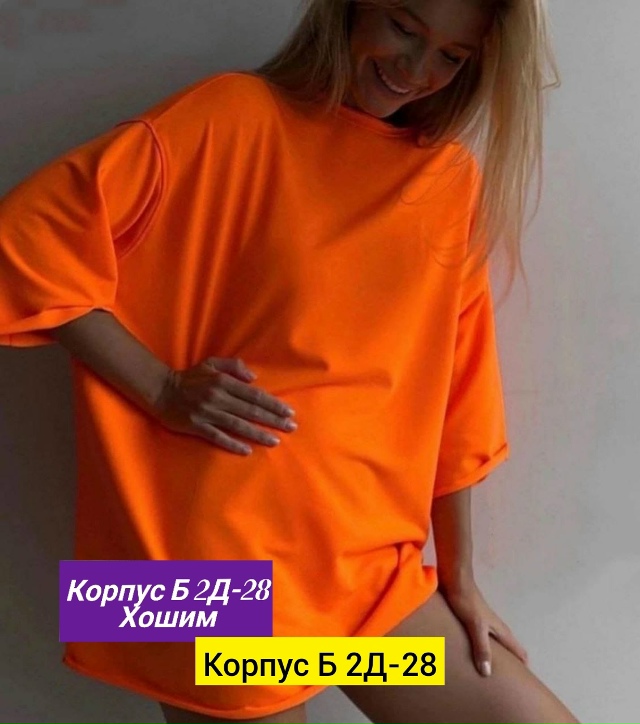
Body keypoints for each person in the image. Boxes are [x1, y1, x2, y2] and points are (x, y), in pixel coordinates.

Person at [0, 0, 583, 722]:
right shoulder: (230, 113)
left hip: (364, 574)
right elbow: (19, 244)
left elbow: (461, 396)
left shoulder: (449, 180)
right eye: (404, 28)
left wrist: (459, 578)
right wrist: (162, 389)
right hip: (197, 580)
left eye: (452, 57)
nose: (415, 69)